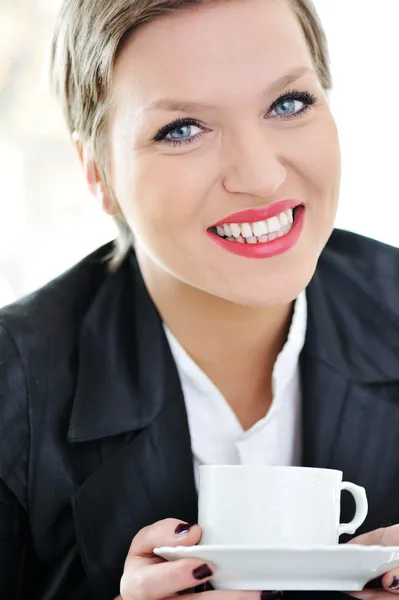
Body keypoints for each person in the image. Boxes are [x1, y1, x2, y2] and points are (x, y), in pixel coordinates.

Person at [1, 0, 399, 598]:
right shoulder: (13, 384)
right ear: (98, 175)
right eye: (182, 129)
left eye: (288, 103)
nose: (261, 176)